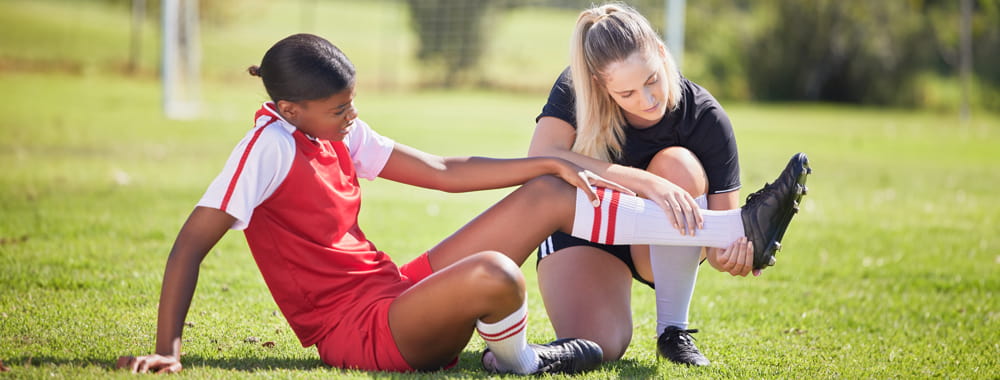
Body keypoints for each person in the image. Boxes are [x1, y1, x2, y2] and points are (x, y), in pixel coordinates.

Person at [117, 33, 806, 375]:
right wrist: (167, 351)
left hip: (392, 291)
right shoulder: (266, 149)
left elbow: (445, 172)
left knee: (547, 191)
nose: (352, 118)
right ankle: (520, 361)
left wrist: (551, 162)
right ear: (291, 109)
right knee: (497, 276)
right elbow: (190, 245)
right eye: (338, 109)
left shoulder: (338, 133)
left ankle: (733, 228)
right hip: (358, 331)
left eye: (353, 103)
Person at [527, 3, 810, 367]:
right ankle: (519, 358)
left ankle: (673, 331)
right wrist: (645, 183)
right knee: (599, 345)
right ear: (600, 83)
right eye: (627, 94)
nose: (646, 100)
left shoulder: (705, 117)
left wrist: (736, 251)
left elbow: (716, 251)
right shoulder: (577, 86)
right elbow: (540, 157)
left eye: (651, 80)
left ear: (662, 53)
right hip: (585, 230)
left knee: (678, 164)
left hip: (655, 247)